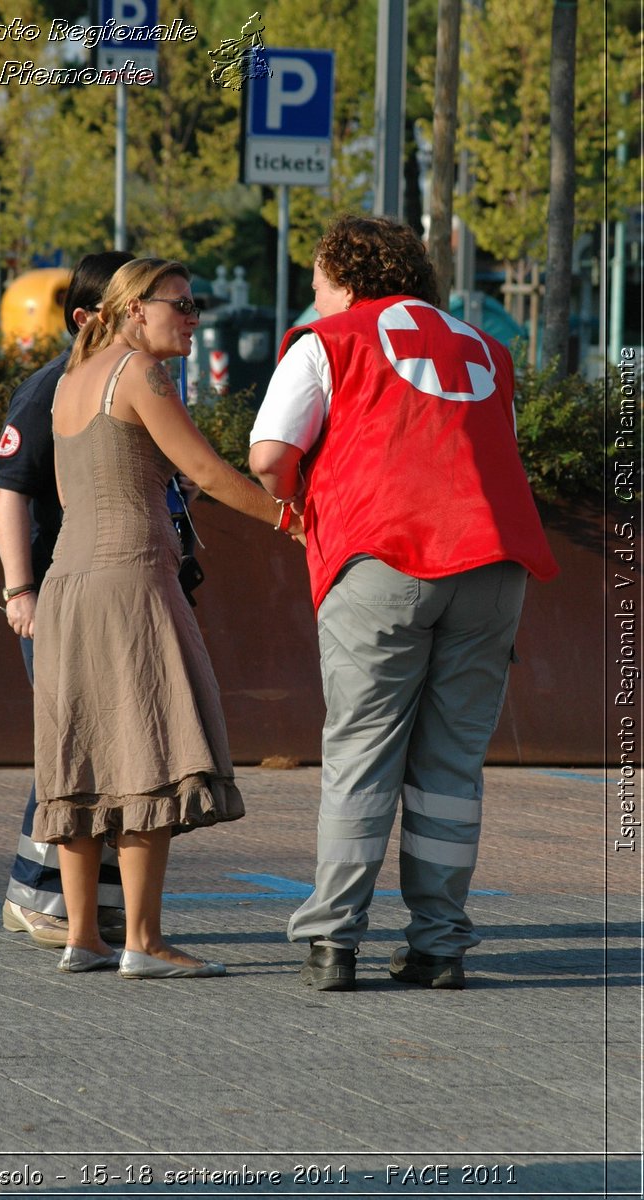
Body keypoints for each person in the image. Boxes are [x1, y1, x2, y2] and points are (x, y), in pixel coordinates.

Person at [249, 214, 559, 992]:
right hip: (493, 562)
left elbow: (269, 455)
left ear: (346, 279)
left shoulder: (328, 341)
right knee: (452, 763)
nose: (314, 297)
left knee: (361, 751)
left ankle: (332, 942)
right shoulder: (486, 348)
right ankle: (440, 944)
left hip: (381, 555)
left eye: (318, 282)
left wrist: (295, 505)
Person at [32, 256, 303, 977]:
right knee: (146, 749)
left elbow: (73, 489)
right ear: (131, 311)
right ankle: (144, 942)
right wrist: (294, 520)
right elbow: (211, 472)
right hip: (131, 579)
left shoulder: (68, 383)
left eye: (194, 305)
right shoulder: (141, 375)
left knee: (82, 756)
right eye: (179, 305)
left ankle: (82, 937)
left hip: (67, 583)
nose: (193, 318)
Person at [0, 251, 134, 949]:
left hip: (116, 589)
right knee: (71, 741)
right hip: (59, 592)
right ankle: (35, 896)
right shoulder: (51, 388)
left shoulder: (135, 382)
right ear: (87, 317)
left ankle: (94, 903)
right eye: (133, 300)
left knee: (108, 743)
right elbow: (9, 486)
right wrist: (21, 590)